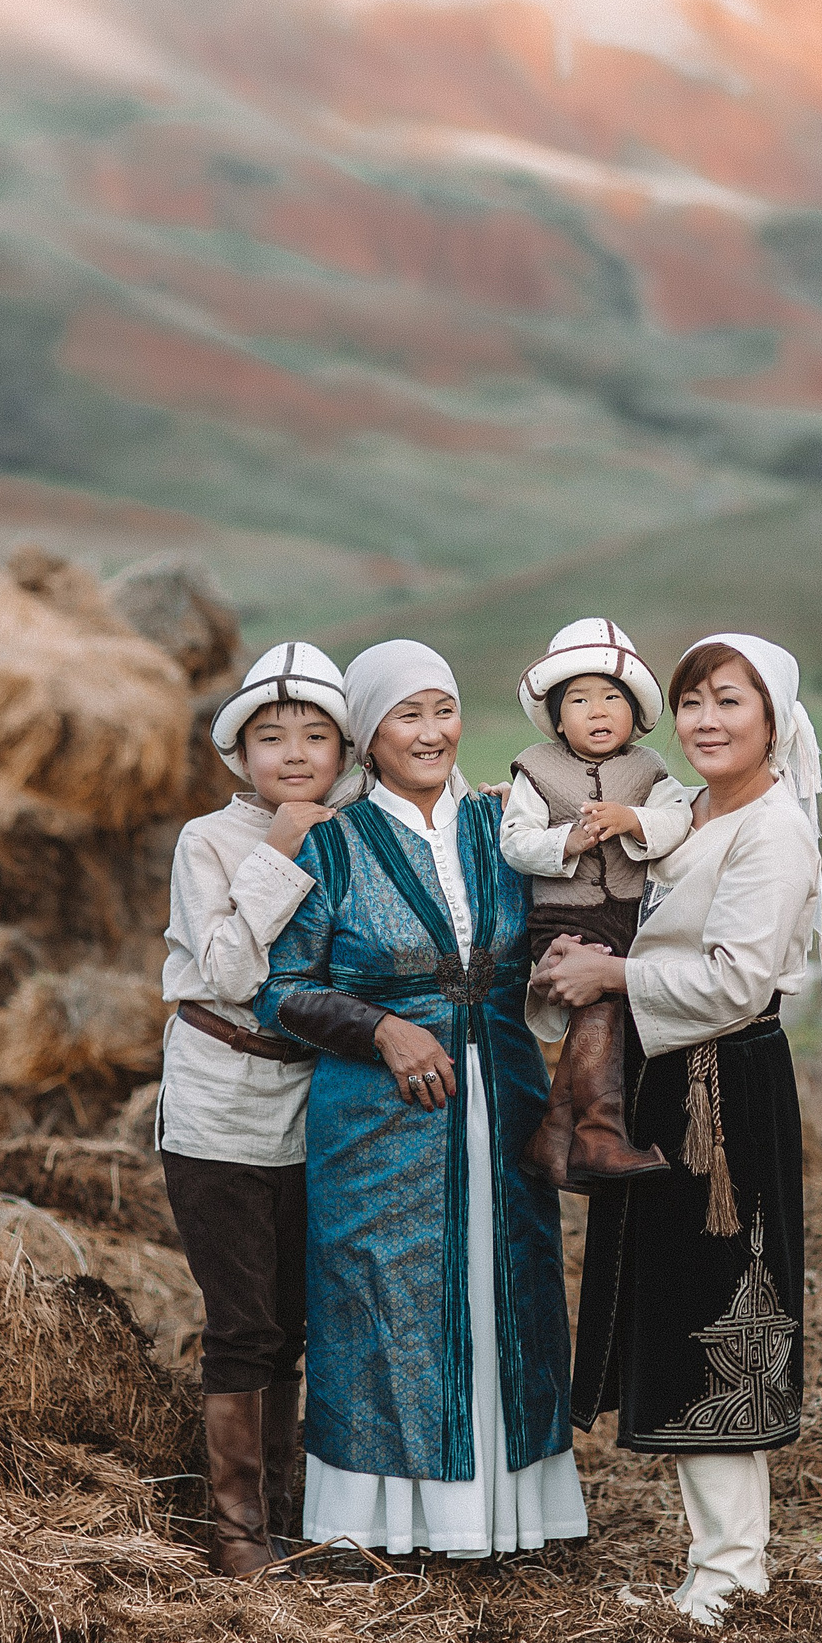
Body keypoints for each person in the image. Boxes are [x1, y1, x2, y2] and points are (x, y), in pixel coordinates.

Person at [255, 639, 587, 1560]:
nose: (433, 730)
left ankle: (510, 1516)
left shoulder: (502, 827)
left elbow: (564, 927)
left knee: (509, 1282)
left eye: (444, 708)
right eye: (409, 714)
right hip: (376, 1122)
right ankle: (382, 1526)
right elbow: (277, 988)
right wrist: (379, 1029)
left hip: (505, 1097)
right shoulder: (334, 842)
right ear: (368, 736)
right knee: (382, 1298)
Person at [531, 632, 822, 1626]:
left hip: (724, 1090)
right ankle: (723, 1561)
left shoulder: (772, 831)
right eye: (693, 702)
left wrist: (611, 977)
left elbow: (737, 981)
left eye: (729, 703)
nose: (706, 722)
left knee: (723, 1308)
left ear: (774, 718)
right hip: (671, 1075)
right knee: (680, 1306)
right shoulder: (691, 810)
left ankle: (727, 1571)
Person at [157, 641, 354, 1572]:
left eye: (317, 734)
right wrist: (278, 851)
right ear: (239, 756)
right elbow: (231, 970)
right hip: (221, 1103)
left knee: (297, 1318)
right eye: (271, 737)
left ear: (347, 748)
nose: (296, 753)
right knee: (245, 1318)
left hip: (310, 1100)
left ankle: (285, 1506)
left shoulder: (354, 830)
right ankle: (236, 1531)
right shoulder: (212, 840)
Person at [500, 617, 696, 1191]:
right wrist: (567, 842)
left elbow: (677, 818)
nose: (598, 711)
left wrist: (634, 819)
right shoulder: (536, 769)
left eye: (613, 698)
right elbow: (515, 840)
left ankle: (553, 1135)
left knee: (604, 1007)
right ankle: (598, 1134)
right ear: (557, 719)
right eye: (579, 700)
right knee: (602, 1005)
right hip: (565, 915)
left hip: (629, 914)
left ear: (635, 712)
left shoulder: (648, 770)